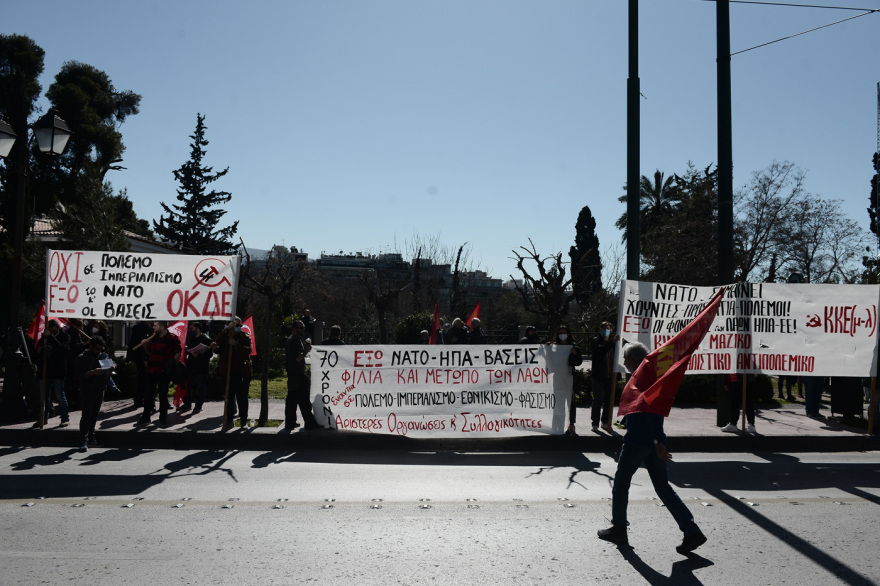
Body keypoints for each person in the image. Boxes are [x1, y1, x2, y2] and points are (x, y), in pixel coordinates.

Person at [597, 342, 707, 554]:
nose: (624, 362)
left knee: (621, 484)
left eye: (626, 358)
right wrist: (658, 443)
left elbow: (648, 414)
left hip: (639, 441)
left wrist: (657, 444)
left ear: (633, 360)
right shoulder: (652, 377)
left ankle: (619, 528)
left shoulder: (642, 380)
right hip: (653, 441)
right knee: (663, 488)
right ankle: (691, 531)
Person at [137, 321, 181, 427]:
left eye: (155, 325)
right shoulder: (152, 337)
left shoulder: (172, 338)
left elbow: (178, 353)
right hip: (151, 370)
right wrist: (145, 346)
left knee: (163, 395)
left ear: (162, 327)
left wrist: (171, 365)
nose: (153, 327)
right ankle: (146, 417)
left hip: (164, 371)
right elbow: (148, 352)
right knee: (148, 394)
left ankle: (162, 418)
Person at [215, 316, 253, 430]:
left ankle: (243, 421)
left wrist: (236, 345)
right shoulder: (226, 336)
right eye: (233, 325)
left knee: (242, 399)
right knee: (229, 398)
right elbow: (217, 341)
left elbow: (248, 350)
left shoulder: (245, 337)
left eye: (238, 325)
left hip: (241, 373)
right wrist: (227, 330)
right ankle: (229, 420)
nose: (236, 327)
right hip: (227, 372)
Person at [76, 335, 113, 451]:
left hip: (99, 389)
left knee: (94, 416)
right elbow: (80, 375)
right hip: (88, 390)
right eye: (97, 349)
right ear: (91, 346)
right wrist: (93, 372)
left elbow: (110, 366)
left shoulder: (101, 356)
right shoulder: (82, 357)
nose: (99, 351)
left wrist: (112, 367)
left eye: (101, 349)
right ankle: (83, 440)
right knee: (86, 416)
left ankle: (91, 438)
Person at [285, 319, 321, 430]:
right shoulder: (294, 340)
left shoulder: (294, 339)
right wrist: (306, 351)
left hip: (294, 375)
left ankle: (290, 422)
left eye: (304, 327)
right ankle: (310, 423)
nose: (303, 330)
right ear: (294, 329)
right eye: (301, 328)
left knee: (292, 400)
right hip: (297, 375)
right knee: (304, 401)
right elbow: (297, 358)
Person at [33, 319, 70, 428]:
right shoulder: (44, 338)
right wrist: (40, 347)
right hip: (45, 372)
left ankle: (65, 418)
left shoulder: (64, 337)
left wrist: (50, 337)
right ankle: (43, 418)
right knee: (44, 397)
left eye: (54, 330)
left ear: (57, 328)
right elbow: (37, 352)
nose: (52, 332)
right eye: (50, 330)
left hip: (58, 372)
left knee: (59, 396)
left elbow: (63, 350)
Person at [549, 325, 583, 435]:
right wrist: (547, 348)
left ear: (568, 334)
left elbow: (578, 362)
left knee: (571, 403)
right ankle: (558, 425)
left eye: (564, 332)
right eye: (560, 333)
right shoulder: (554, 347)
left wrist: (575, 354)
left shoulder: (574, 347)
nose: (562, 335)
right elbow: (549, 360)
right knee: (558, 402)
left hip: (569, 378)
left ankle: (571, 424)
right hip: (558, 378)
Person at [591, 321, 619, 432]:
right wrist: (612, 343)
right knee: (598, 400)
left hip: (610, 376)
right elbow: (600, 350)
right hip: (598, 376)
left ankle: (605, 421)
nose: (606, 330)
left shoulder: (615, 343)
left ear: (611, 330)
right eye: (603, 328)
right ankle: (595, 423)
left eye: (608, 328)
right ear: (600, 330)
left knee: (609, 401)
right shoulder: (596, 341)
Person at [184, 321, 213, 414]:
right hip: (192, 366)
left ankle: (198, 405)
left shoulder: (206, 339)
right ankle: (187, 403)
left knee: (201, 387)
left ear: (198, 329)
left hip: (201, 367)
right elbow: (189, 349)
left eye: (192, 328)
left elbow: (209, 354)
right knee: (189, 385)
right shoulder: (192, 338)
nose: (191, 330)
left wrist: (199, 355)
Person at [126, 321, 153, 409]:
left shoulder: (137, 329)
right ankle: (141, 399)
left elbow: (131, 343)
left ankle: (139, 399)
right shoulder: (146, 329)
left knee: (141, 378)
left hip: (138, 356)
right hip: (142, 357)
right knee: (144, 379)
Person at [90, 320, 120, 395]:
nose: (94, 328)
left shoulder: (105, 336)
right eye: (94, 326)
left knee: (106, 369)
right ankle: (114, 388)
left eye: (96, 327)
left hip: (102, 356)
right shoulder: (90, 335)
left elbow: (106, 347)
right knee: (106, 371)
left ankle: (114, 388)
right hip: (93, 356)